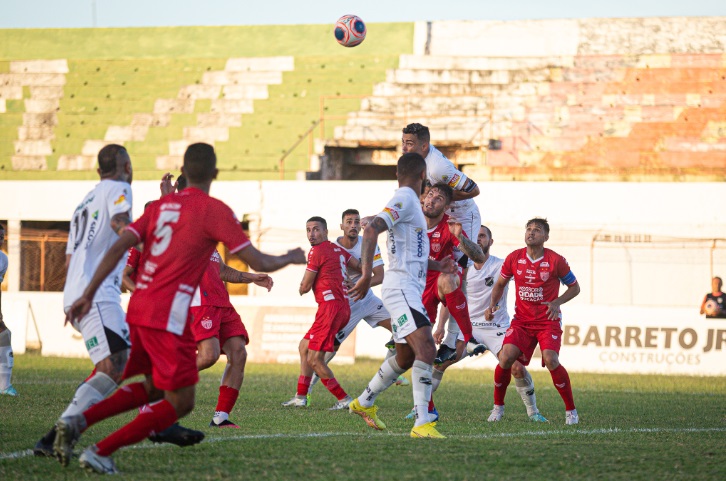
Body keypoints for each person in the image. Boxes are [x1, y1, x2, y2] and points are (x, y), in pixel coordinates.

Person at [53, 143, 301, 474]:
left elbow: (121, 244)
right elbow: (258, 258)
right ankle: (100, 449)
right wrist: (290, 256)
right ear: (214, 173)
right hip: (167, 317)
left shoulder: (160, 207)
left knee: (151, 385)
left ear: (183, 171)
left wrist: (88, 291)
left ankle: (77, 421)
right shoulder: (213, 210)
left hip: (139, 309)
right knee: (180, 401)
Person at [347, 152, 456, 439]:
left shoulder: (410, 204)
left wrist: (437, 264)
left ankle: (364, 401)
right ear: (423, 177)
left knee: (406, 357)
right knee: (427, 351)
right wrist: (367, 274)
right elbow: (370, 230)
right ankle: (422, 424)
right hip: (401, 289)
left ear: (398, 174)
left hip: (407, 289)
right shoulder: (406, 198)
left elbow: (409, 253)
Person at [33, 145, 134, 455]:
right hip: (96, 296)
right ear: (125, 166)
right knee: (115, 365)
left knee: (112, 364)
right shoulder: (119, 188)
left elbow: (68, 260)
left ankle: (54, 439)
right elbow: (121, 224)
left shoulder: (84, 202)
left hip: (78, 293)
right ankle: (61, 431)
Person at [431, 225, 547, 422]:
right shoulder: (463, 270)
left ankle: (533, 412)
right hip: (468, 329)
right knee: (440, 363)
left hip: (497, 327)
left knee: (517, 368)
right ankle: (420, 408)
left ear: (490, 242)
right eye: (475, 236)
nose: (478, 240)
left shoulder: (501, 265)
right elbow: (451, 301)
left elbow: (525, 280)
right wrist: (441, 326)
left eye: (483, 236)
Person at [485, 218, 581, 425]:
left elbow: (575, 288)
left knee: (551, 359)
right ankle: (497, 408)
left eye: (537, 230)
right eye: (528, 229)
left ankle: (571, 412)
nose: (531, 233)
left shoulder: (556, 261)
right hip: (522, 322)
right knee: (506, 358)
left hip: (547, 321)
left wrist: (557, 302)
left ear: (546, 237)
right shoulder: (514, 258)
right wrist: (492, 306)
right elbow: (500, 284)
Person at [306, 209, 407, 403]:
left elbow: (379, 275)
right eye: (349, 222)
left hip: (367, 299)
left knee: (401, 328)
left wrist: (362, 284)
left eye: (356, 222)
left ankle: (390, 373)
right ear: (341, 226)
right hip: (345, 303)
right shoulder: (331, 247)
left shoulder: (368, 244)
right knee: (328, 350)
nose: (353, 225)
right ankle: (306, 391)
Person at [401, 123, 482, 361]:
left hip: (462, 215)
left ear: (424, 145)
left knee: (458, 275)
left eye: (410, 143)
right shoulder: (416, 161)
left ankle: (456, 339)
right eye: (403, 142)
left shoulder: (439, 167)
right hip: (441, 209)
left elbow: (474, 189)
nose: (404, 147)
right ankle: (408, 331)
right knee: (440, 275)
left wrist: (444, 196)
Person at [282, 217, 356, 409]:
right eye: (308, 230)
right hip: (341, 307)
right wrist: (358, 282)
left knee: (315, 359)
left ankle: (344, 400)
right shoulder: (339, 250)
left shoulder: (316, 250)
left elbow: (305, 286)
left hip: (330, 308)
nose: (311, 234)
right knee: (304, 347)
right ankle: (300, 397)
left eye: (316, 229)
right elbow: (361, 266)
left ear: (325, 232)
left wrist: (301, 287)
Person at [0, 223, 15, 397]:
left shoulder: (3, 259)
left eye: (2, 237)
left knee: (4, 335)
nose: (1, 240)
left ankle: (5, 386)